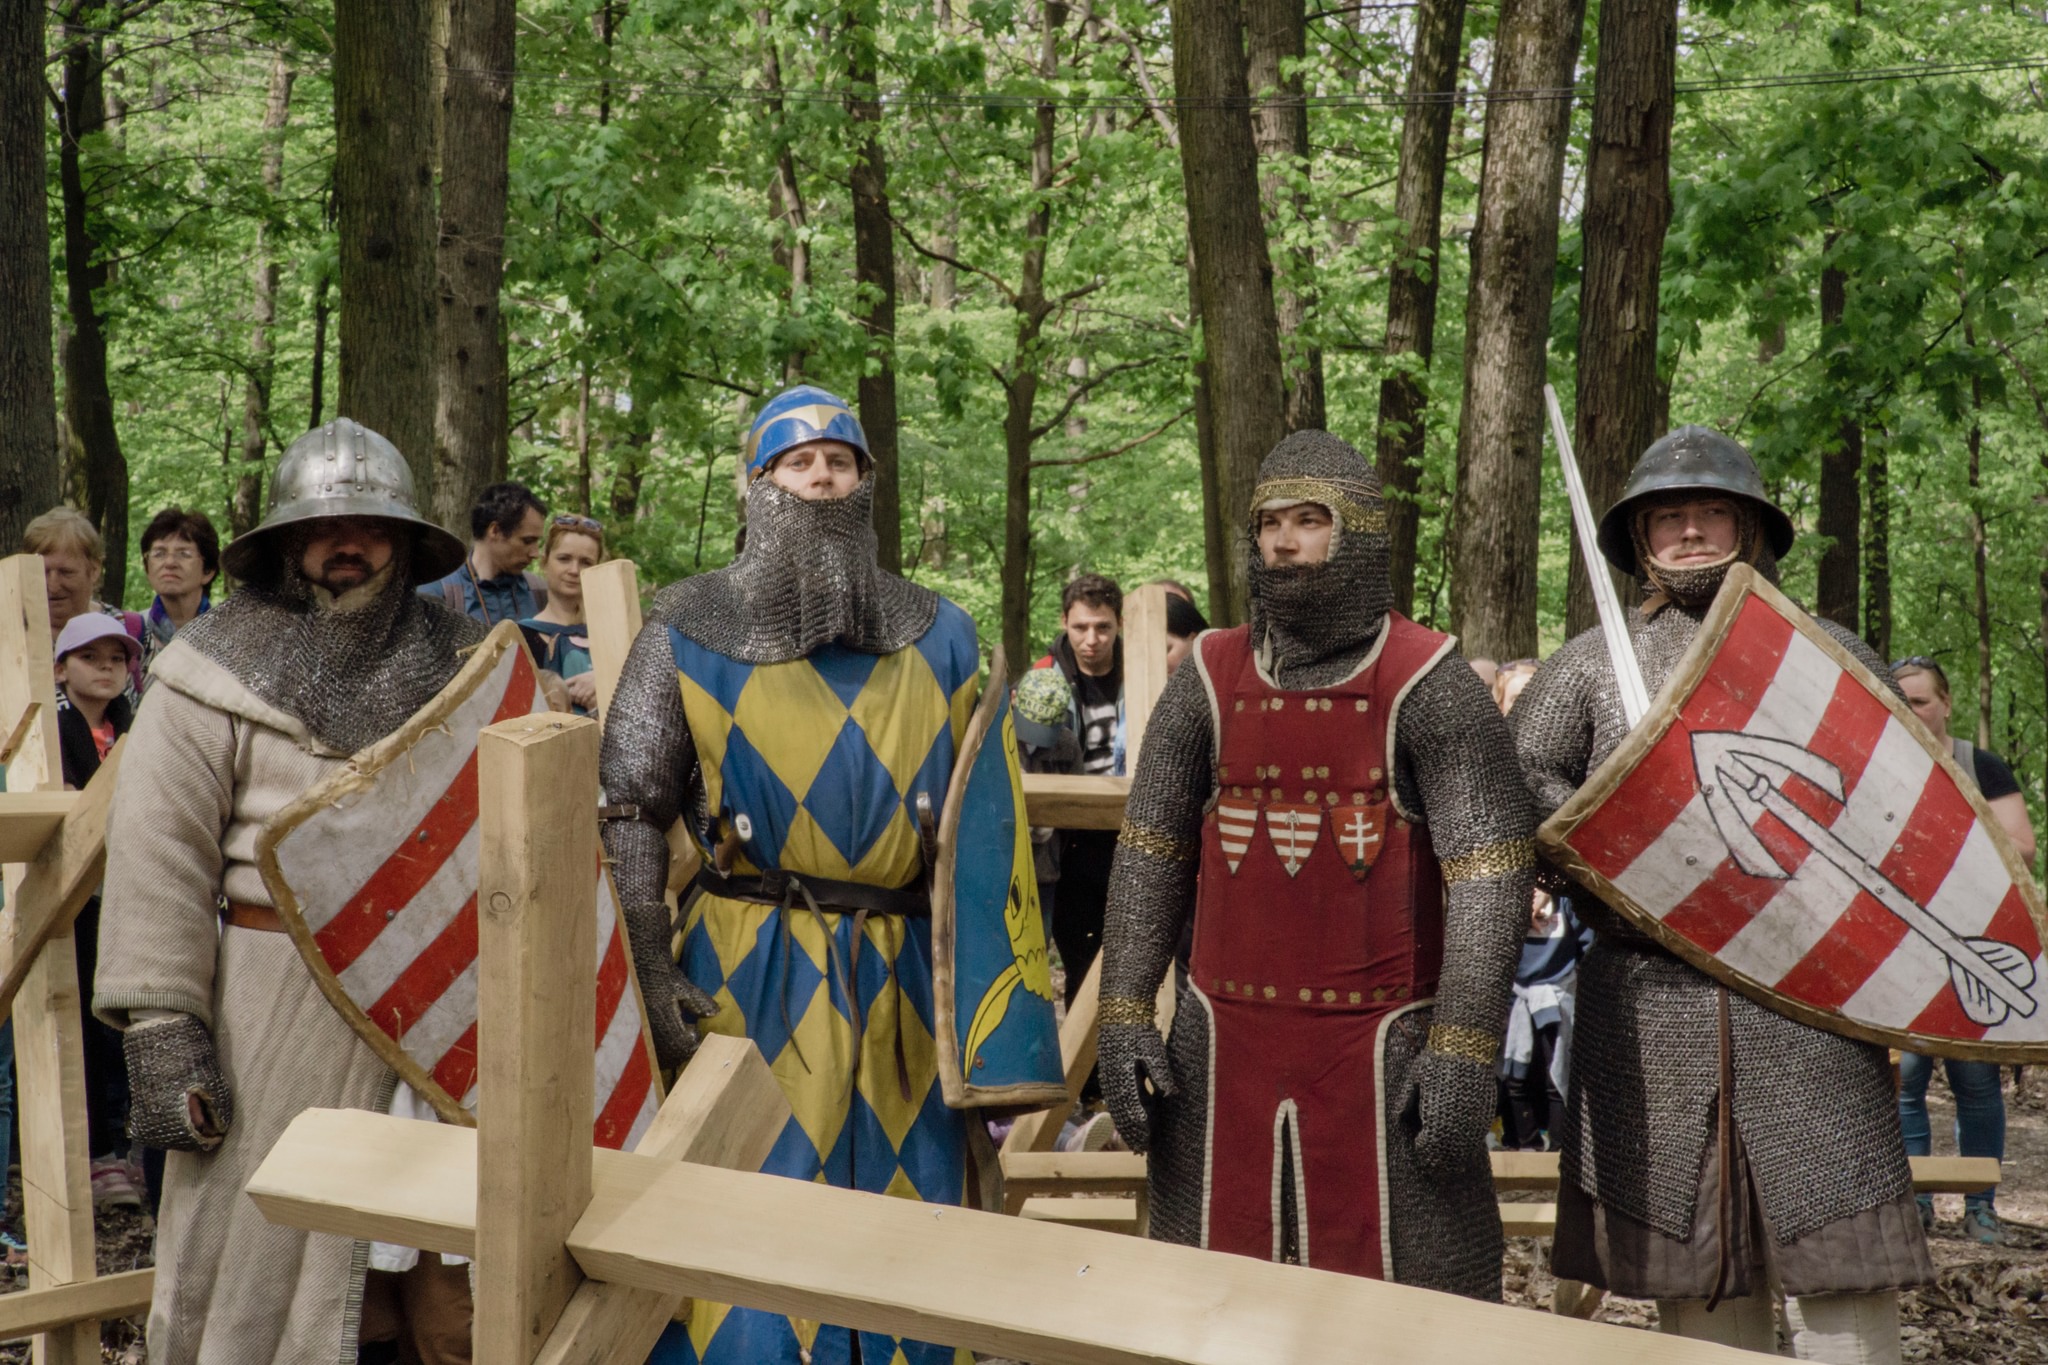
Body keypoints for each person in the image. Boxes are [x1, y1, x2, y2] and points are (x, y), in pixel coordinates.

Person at [1511, 426, 1931, 1362]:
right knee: (1702, 1289)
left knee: (1843, 1277)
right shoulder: (1591, 665)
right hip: (1651, 1000)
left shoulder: (1824, 655)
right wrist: (1599, 824)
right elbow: (1522, 782)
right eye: (1670, 516)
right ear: (1641, 537)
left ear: (1751, 527)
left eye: (1711, 512)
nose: (1691, 531)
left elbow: (1907, 809)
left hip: (1809, 995)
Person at [602, 384, 993, 1365]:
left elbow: (987, 831)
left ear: (866, 482)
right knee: (747, 1209)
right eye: (798, 461)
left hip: (907, 979)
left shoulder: (945, 635)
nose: (821, 476)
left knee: (909, 1230)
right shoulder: (687, 625)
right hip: (748, 968)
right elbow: (629, 809)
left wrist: (994, 1007)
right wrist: (650, 961)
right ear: (760, 484)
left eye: (840, 460)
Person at [1096, 430, 1534, 1297]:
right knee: (1214, 1309)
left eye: (1309, 520)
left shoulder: (1428, 679)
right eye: (1270, 523)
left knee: (1410, 1320)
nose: (1285, 542)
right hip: (1221, 1049)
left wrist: (1460, 1045)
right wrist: (1122, 1008)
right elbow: (1149, 852)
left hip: (1383, 1050)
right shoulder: (1209, 677)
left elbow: (1491, 871)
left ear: (1357, 532)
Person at [93, 419, 480, 1365]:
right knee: (259, 1260)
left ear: (404, 540)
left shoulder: (476, 663)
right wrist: (164, 1025)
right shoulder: (210, 667)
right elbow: (160, 854)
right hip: (275, 1005)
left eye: (371, 525)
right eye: (325, 526)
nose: (349, 543)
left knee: (448, 1283)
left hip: (452, 1007)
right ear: (287, 540)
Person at [1891, 655, 2032, 1246]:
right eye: (1901, 702)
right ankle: (1915, 1205)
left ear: (1946, 704)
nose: (1912, 711)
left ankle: (1981, 1208)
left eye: (1921, 701)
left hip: (1976, 942)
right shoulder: (1879, 764)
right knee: (1906, 1081)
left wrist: (1947, 838)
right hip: (1900, 947)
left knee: (1975, 1081)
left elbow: (2023, 849)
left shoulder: (1982, 765)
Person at [52, 614, 142, 1210]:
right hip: (75, 898)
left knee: (129, 1017)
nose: (106, 668)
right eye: (90, 657)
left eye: (117, 658)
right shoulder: (52, 733)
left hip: (132, 892)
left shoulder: (140, 728)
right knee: (84, 1018)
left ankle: (133, 1147)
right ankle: (95, 1152)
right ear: (61, 669)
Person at [1033, 573, 1124, 1008]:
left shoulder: (1143, 672)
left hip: (1130, 835)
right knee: (1081, 963)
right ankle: (1081, 1053)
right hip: (1068, 844)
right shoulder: (1042, 680)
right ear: (1064, 622)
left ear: (1119, 624)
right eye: (1081, 627)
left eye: (1103, 627)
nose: (1092, 640)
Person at [23, 508, 146, 697]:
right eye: (42, 572)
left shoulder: (131, 630)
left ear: (94, 570)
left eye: (66, 572)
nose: (53, 586)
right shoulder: (10, 633)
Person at [419, 480, 548, 626]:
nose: (535, 553)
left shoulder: (540, 593)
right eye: (527, 541)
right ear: (495, 531)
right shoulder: (438, 593)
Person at [518, 514, 606, 715]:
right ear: (545, 562)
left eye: (586, 562)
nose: (574, 570)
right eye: (564, 559)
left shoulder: (614, 637)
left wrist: (606, 682)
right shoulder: (520, 636)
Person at [138, 506, 220, 671]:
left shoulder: (228, 637)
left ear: (208, 571)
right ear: (147, 568)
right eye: (159, 553)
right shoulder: (131, 632)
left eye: (184, 554)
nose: (169, 563)